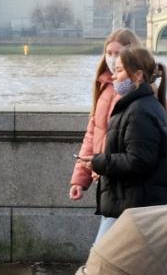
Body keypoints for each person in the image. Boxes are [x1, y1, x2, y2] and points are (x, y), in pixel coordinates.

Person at [83, 46, 167, 243]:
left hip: (135, 204)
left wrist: (98, 162)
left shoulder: (138, 111)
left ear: (137, 75)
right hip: (132, 201)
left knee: (102, 259)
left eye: (119, 70)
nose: (113, 76)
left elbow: (138, 160)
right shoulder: (141, 105)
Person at [69, 29, 140, 242]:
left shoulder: (136, 92)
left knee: (103, 251)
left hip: (127, 184)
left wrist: (102, 163)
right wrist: (80, 180)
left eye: (117, 53)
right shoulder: (105, 87)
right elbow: (92, 135)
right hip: (108, 180)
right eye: (108, 52)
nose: (112, 58)